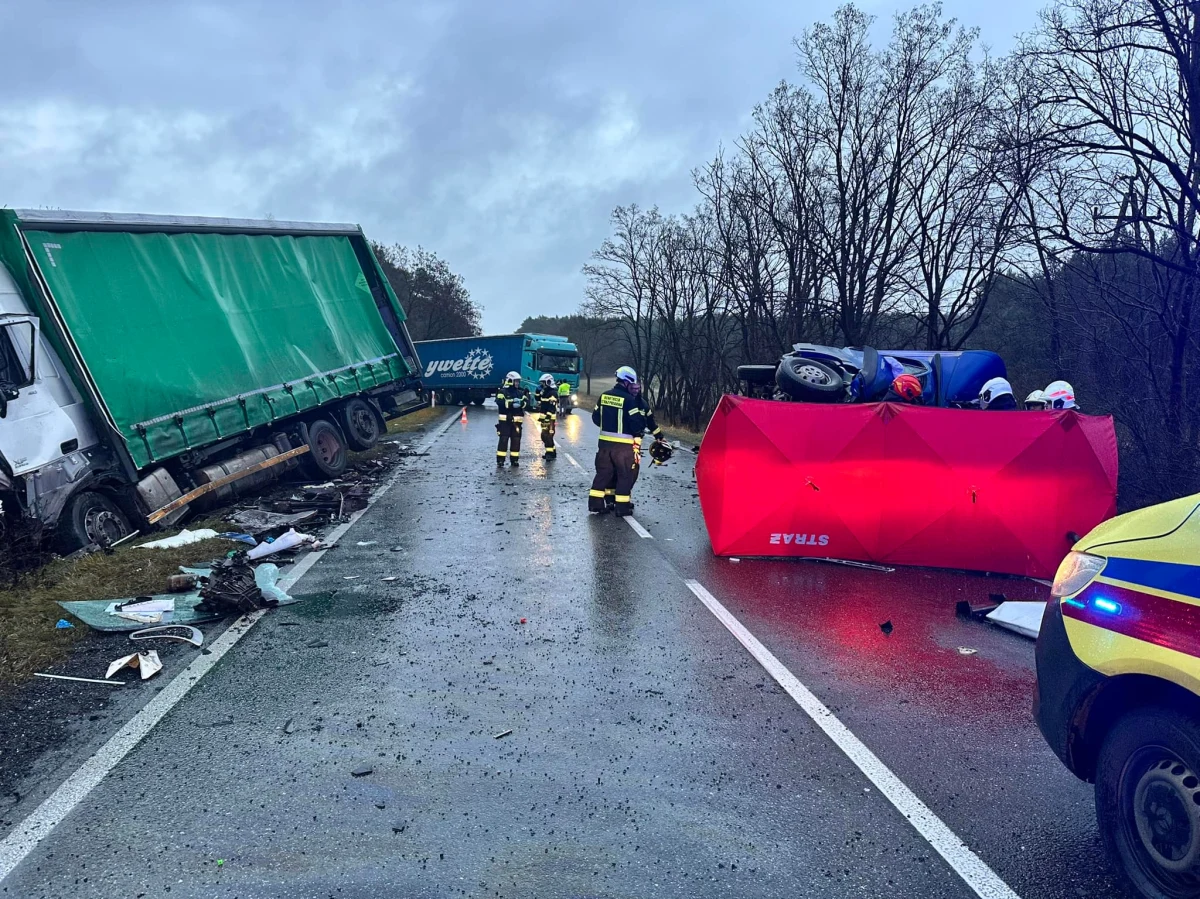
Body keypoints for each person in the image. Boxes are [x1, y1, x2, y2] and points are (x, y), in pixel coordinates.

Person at [588, 366, 667, 516]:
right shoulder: (630, 400)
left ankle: (595, 505)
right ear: (626, 382)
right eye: (632, 384)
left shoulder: (604, 396)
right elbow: (636, 424)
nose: (634, 388)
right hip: (623, 447)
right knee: (625, 475)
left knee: (603, 474)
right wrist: (638, 432)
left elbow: (595, 418)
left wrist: (608, 426)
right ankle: (622, 508)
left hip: (604, 445)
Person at [494, 371, 530, 466]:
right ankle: (500, 460)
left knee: (516, 441)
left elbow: (526, 402)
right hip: (505, 422)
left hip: (517, 423)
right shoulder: (502, 392)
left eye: (518, 381)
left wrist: (522, 403)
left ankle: (514, 460)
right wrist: (511, 403)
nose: (517, 383)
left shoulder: (520, 392)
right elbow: (500, 402)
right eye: (516, 381)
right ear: (510, 381)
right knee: (503, 440)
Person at [534, 373, 558, 460]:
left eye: (543, 383)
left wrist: (547, 418)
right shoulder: (545, 392)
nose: (542, 385)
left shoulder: (552, 393)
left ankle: (549, 454)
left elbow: (551, 407)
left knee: (547, 435)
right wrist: (537, 392)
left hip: (549, 419)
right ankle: (552, 452)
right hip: (544, 419)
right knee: (544, 436)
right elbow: (537, 399)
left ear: (548, 382)